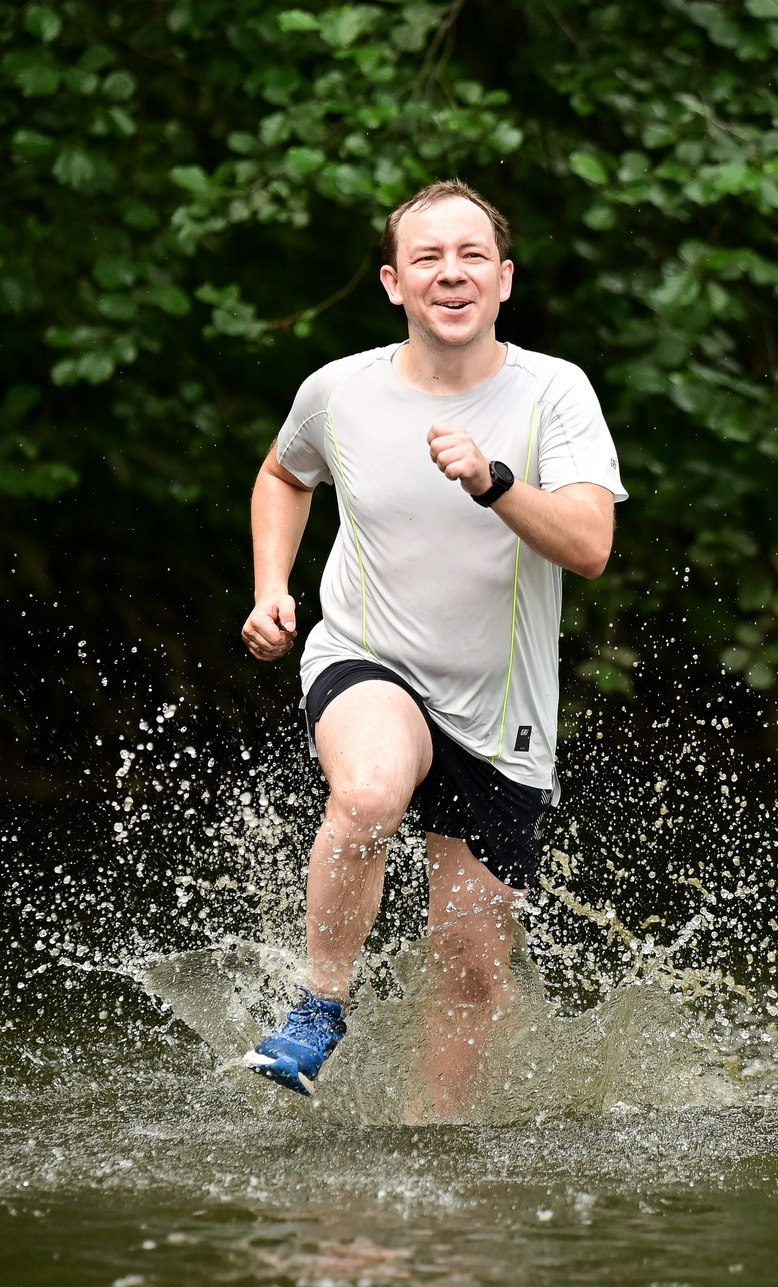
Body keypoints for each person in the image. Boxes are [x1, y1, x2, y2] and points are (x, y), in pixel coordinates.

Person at [236, 180, 625, 1112]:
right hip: (370, 658)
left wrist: (494, 481)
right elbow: (283, 475)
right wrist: (271, 588)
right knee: (366, 793)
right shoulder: (339, 391)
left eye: (471, 258)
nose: (450, 274)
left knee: (473, 971)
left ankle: (434, 1143)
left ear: (503, 280)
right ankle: (319, 1007)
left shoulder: (554, 392)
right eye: (427, 259)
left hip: (500, 715)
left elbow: (590, 545)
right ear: (393, 283)